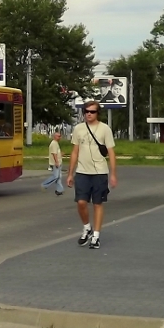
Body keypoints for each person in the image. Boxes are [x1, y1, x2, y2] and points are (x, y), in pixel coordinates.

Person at [67, 101, 117, 250]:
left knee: (97, 204)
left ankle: (96, 236)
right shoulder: (78, 129)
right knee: (81, 202)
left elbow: (111, 153)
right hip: (82, 172)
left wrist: (113, 174)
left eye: (92, 111)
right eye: (86, 111)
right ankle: (87, 227)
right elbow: (75, 152)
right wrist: (70, 173)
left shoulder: (105, 129)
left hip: (100, 173)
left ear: (97, 113)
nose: (89, 114)